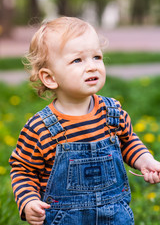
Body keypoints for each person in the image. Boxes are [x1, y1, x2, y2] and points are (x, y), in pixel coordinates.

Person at [9, 16, 160, 225]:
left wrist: (146, 161)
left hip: (115, 217)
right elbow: (23, 169)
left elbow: (128, 141)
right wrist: (28, 201)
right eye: (77, 60)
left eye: (96, 57)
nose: (92, 66)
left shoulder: (112, 112)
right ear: (50, 78)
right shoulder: (40, 128)